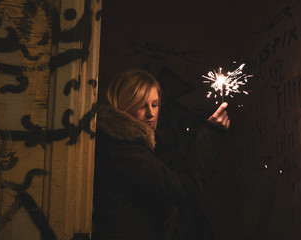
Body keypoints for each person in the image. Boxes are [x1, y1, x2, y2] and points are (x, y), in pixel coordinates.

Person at [92, 68, 230, 240]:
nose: (151, 113)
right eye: (141, 105)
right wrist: (211, 134)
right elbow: (184, 191)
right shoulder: (124, 150)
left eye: (155, 104)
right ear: (123, 106)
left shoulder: (127, 145)